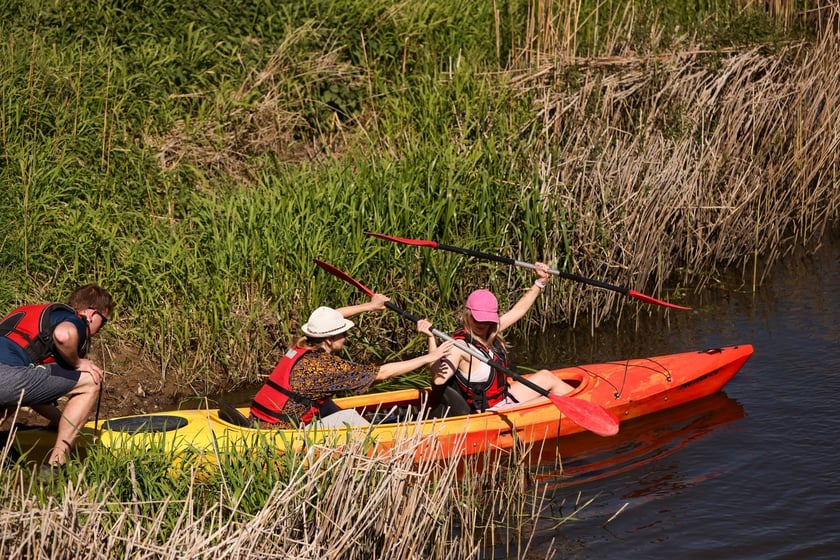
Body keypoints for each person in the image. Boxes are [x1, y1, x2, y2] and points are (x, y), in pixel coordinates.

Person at [249, 293, 454, 428]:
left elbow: (333, 316)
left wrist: (370, 306)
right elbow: (382, 373)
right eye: (343, 334)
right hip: (281, 429)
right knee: (353, 422)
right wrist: (430, 357)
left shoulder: (302, 343)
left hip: (262, 417)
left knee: (327, 405)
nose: (347, 337)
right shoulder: (327, 368)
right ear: (329, 340)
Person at [429, 263, 574, 413]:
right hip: (489, 413)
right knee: (554, 398)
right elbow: (438, 379)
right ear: (467, 315)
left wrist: (540, 282)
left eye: (486, 320)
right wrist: (431, 338)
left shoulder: (490, 332)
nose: (481, 324)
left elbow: (518, 310)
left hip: (503, 398)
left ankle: (590, 405)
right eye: (477, 319)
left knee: (546, 376)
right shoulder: (459, 347)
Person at [0, 283, 112, 467]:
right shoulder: (76, 320)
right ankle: (56, 464)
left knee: (12, 391)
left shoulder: (28, 312)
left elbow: (32, 394)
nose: (101, 328)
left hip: (9, 379)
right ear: (92, 314)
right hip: (6, 378)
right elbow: (63, 335)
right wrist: (77, 363)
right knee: (91, 381)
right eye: (104, 321)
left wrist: (64, 422)